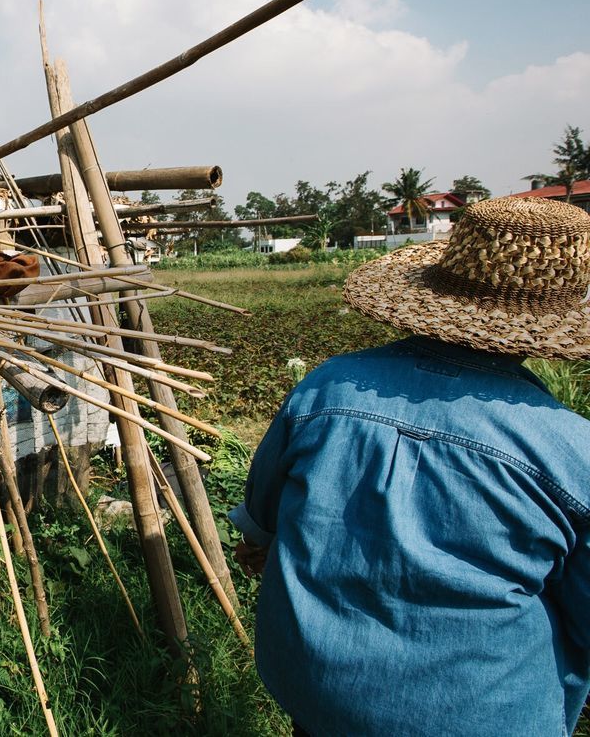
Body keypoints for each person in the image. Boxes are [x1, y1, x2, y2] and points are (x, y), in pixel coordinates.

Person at [230, 196, 590, 736]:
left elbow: (261, 522)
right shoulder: (569, 448)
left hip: (316, 692)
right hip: (482, 714)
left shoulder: (327, 387)